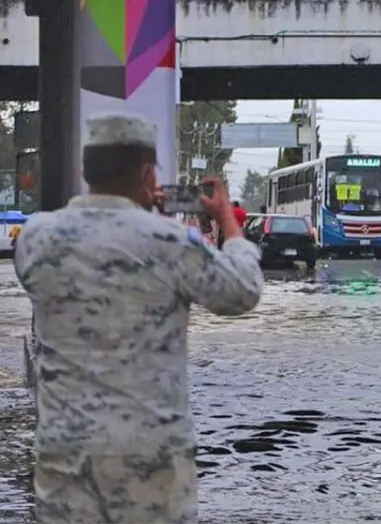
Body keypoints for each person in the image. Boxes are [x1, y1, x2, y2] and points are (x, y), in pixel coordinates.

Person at [14, 113, 264, 524]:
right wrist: (227, 222)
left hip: (66, 458)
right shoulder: (170, 242)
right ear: (148, 174)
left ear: (86, 172)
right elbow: (242, 291)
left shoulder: (36, 238)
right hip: (149, 461)